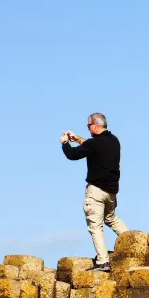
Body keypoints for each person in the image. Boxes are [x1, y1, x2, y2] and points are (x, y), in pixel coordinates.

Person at [60, 113, 129, 272]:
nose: (88, 128)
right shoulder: (114, 141)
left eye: (89, 126)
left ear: (95, 126)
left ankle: (103, 261)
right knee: (111, 218)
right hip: (111, 193)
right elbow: (92, 147)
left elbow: (73, 155)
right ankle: (133, 241)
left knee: (95, 225)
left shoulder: (94, 144)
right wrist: (77, 139)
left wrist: (65, 143)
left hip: (96, 192)